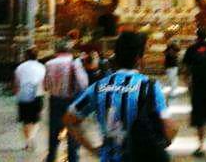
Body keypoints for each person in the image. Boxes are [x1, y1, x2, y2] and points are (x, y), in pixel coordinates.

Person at [64, 31, 177, 162]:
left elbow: (69, 119)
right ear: (138, 59)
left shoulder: (98, 87)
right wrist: (163, 143)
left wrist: (93, 149)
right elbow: (170, 128)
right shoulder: (149, 86)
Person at [44, 38, 89, 162]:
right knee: (73, 135)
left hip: (54, 100)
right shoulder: (75, 63)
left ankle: (51, 157)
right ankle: (72, 158)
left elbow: (46, 86)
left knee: (53, 132)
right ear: (69, 49)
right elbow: (83, 83)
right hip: (71, 101)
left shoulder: (49, 63)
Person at [182, 28, 206, 157]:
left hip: (198, 87)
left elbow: (186, 68)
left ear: (196, 36)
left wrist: (188, 83)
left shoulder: (191, 49)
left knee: (199, 117)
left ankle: (200, 146)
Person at [14, 47, 46, 150]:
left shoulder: (20, 67)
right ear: (37, 55)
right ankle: (32, 137)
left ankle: (28, 141)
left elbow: (16, 83)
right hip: (37, 94)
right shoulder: (42, 67)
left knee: (25, 120)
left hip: (23, 95)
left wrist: (16, 93)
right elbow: (44, 82)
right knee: (36, 119)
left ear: (26, 56)